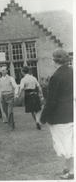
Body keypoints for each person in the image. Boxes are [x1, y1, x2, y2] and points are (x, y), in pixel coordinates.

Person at [40, 49, 73, 179]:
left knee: (66, 144)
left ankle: (72, 171)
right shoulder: (72, 72)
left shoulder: (56, 76)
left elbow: (51, 100)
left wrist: (43, 117)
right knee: (70, 141)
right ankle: (68, 168)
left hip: (60, 116)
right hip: (71, 113)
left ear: (55, 60)